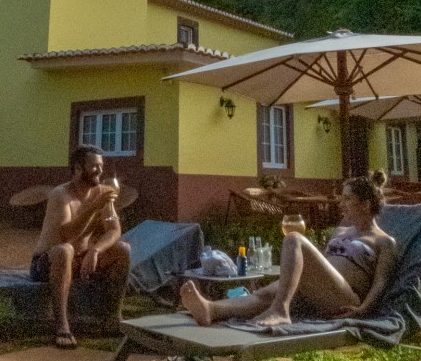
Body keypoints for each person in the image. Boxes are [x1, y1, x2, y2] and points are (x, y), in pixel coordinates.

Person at [181, 171, 397, 327]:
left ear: (366, 204)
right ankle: (211, 309)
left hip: (344, 298)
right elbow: (321, 264)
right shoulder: (340, 231)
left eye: (347, 198)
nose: (341, 203)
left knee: (294, 238)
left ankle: (280, 310)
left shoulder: (383, 241)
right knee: (265, 294)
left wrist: (362, 311)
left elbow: (381, 282)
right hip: (317, 291)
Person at [30, 144, 131, 349]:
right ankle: (62, 326)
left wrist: (95, 250)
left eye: (101, 166)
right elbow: (67, 235)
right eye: (94, 166)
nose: (100, 171)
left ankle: (112, 318)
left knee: (123, 250)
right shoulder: (61, 194)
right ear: (77, 168)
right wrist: (94, 206)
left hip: (80, 259)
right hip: (47, 263)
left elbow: (114, 230)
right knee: (64, 250)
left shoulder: (103, 193)